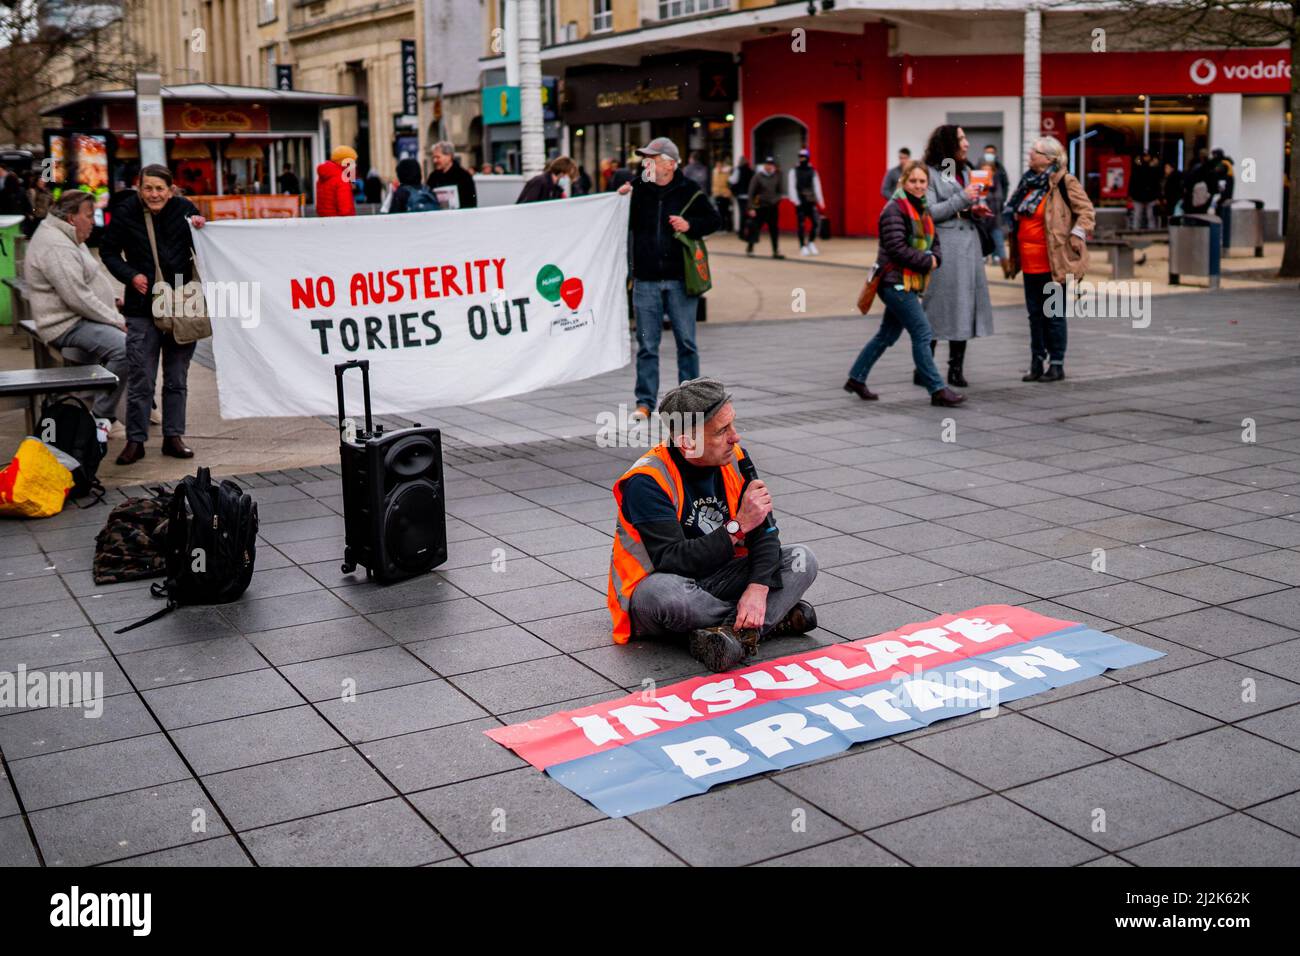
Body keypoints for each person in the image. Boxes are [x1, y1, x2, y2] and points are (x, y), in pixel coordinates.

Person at [607, 378, 820, 672]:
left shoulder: (736, 458)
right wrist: (738, 526)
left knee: (802, 560)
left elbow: (766, 532)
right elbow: (674, 560)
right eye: (722, 431)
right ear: (687, 443)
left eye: (732, 424)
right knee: (668, 596)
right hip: (665, 586)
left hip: (723, 576)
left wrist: (758, 589)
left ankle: (728, 636)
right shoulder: (646, 481)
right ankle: (764, 623)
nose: (736, 437)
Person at [99, 164, 208, 464]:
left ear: (171, 190)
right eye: (148, 188)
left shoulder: (185, 209)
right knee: (141, 378)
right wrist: (130, 275)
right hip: (142, 306)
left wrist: (202, 226)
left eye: (160, 189)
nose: (154, 194)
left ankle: (174, 437)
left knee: (176, 378)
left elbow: (205, 245)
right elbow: (108, 251)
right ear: (139, 187)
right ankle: (136, 441)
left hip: (180, 305)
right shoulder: (126, 211)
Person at [616, 137, 722, 420]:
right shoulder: (637, 189)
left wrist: (690, 225)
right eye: (645, 159)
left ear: (671, 164)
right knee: (647, 345)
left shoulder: (690, 190)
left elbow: (714, 220)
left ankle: (691, 403)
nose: (646, 163)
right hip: (646, 279)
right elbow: (617, 221)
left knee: (686, 342)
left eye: (652, 158)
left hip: (679, 279)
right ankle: (645, 403)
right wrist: (618, 198)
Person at [844, 163, 965, 408]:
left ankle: (856, 378)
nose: (918, 186)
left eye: (922, 182)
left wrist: (935, 257)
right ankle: (937, 389)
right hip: (894, 281)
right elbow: (896, 248)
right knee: (922, 333)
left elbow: (935, 241)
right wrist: (927, 260)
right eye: (914, 181)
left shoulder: (921, 208)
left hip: (909, 280)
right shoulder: (894, 209)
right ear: (903, 182)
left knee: (886, 335)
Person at [24, 190, 129, 432]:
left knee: (138, 335)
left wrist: (112, 301)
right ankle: (100, 417)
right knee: (125, 347)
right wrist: (114, 318)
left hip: (79, 317)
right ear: (72, 218)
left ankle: (128, 409)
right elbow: (77, 297)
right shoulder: (55, 245)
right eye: (89, 216)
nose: (93, 222)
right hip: (65, 324)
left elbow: (85, 282)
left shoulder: (67, 235)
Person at [1003, 135, 1095, 384]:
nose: (1029, 154)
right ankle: (1036, 362)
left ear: (1048, 159)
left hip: (1054, 262)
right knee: (1035, 315)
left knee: (1053, 314)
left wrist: (1077, 232)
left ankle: (1056, 364)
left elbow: (1086, 211)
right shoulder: (1027, 183)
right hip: (1030, 263)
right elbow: (1012, 212)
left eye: (1034, 151)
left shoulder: (1064, 181)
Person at [921, 125, 993, 389]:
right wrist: (963, 199)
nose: (966, 143)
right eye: (961, 139)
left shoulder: (963, 170)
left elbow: (960, 203)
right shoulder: (929, 173)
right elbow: (930, 212)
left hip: (968, 244)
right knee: (938, 304)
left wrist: (976, 210)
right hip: (946, 246)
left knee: (963, 304)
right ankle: (924, 367)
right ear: (947, 143)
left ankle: (955, 369)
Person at [788, 147, 825, 257]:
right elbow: (791, 187)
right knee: (801, 225)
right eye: (800, 157)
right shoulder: (794, 171)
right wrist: (796, 201)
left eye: (804, 157)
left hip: (810, 201)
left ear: (808, 158)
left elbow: (817, 186)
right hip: (800, 201)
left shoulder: (812, 171)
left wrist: (820, 201)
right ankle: (802, 246)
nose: (802, 159)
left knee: (815, 223)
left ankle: (811, 242)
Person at [746, 156, 784, 259]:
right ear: (765, 165)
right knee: (755, 228)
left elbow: (780, 191)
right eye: (767, 164)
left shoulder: (777, 176)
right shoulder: (758, 176)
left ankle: (775, 251)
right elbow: (751, 193)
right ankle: (750, 248)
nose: (769, 166)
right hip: (760, 207)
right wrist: (751, 208)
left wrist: (776, 200)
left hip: (772, 207)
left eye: (771, 164)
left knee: (774, 230)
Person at [426, 141, 478, 209]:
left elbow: (471, 202)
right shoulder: (433, 176)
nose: (434, 161)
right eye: (434, 157)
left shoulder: (463, 176)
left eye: (438, 157)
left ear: (449, 156)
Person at [979, 145, 1010, 260]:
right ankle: (985, 257)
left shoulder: (1000, 170)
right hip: (983, 217)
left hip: (996, 214)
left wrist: (1003, 200)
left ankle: (1002, 261)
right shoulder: (979, 169)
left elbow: (1005, 185)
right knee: (984, 238)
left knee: (998, 239)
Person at [315, 145, 357, 217]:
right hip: (339, 224)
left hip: (324, 220)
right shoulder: (341, 179)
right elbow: (346, 210)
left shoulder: (325, 176)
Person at [1129, 151, 1162, 230]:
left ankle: (1151, 232)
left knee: (1150, 216)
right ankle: (1135, 231)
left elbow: (1156, 183)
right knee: (1137, 215)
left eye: (1148, 156)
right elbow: (1132, 182)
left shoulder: (1153, 168)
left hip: (1150, 196)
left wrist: (1158, 196)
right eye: (1145, 156)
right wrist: (1130, 195)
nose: (1146, 158)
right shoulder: (1137, 168)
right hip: (1138, 196)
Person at [728, 155, 754, 235]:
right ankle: (749, 230)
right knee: (749, 213)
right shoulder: (751, 171)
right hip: (749, 195)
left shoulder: (738, 170)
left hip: (741, 195)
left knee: (742, 213)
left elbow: (732, 180)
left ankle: (741, 231)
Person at [711, 157, 733, 230]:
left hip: (725, 194)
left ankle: (728, 227)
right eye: (717, 165)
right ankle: (722, 227)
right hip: (718, 194)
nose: (718, 167)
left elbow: (729, 184)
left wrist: (728, 193)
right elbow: (713, 184)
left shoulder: (726, 173)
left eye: (719, 165)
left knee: (726, 212)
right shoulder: (714, 172)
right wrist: (714, 192)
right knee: (720, 212)